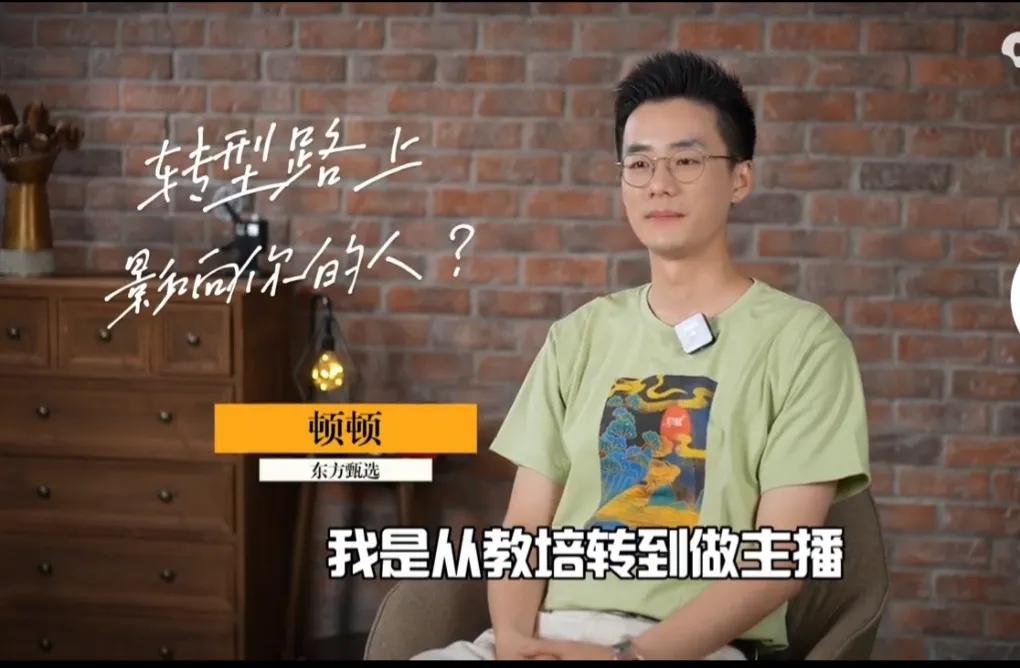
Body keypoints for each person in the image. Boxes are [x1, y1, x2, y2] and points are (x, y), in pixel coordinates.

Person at [411, 49, 871, 661]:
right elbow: (524, 529)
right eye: (639, 163)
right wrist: (517, 645)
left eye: (687, 160)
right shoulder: (578, 337)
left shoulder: (804, 343)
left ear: (740, 179)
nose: (659, 182)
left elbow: (781, 561)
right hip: (548, 638)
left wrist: (631, 657)